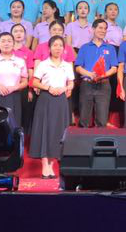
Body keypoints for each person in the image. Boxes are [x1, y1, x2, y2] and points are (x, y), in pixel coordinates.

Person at [30, 36, 75, 178]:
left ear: (64, 49)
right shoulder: (43, 64)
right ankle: (45, 165)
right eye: (55, 45)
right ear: (49, 48)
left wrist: (64, 88)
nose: (58, 48)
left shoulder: (67, 65)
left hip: (61, 100)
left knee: (58, 131)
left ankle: (51, 165)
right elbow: (34, 82)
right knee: (45, 129)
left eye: (60, 45)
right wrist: (48, 88)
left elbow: (71, 83)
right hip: (46, 99)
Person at [74, 19, 118, 128]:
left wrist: (102, 75)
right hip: (87, 83)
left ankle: (100, 138)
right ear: (93, 29)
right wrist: (90, 74)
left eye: (105, 29)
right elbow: (78, 67)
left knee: (102, 120)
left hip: (103, 84)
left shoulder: (110, 48)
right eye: (100, 28)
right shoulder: (84, 47)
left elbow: (114, 68)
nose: (103, 31)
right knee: (84, 119)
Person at [0, 33, 28, 128]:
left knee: (12, 125)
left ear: (13, 44)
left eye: (9, 41)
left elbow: (25, 82)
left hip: (13, 96)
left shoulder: (20, 61)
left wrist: (14, 88)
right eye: (3, 41)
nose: (6, 43)